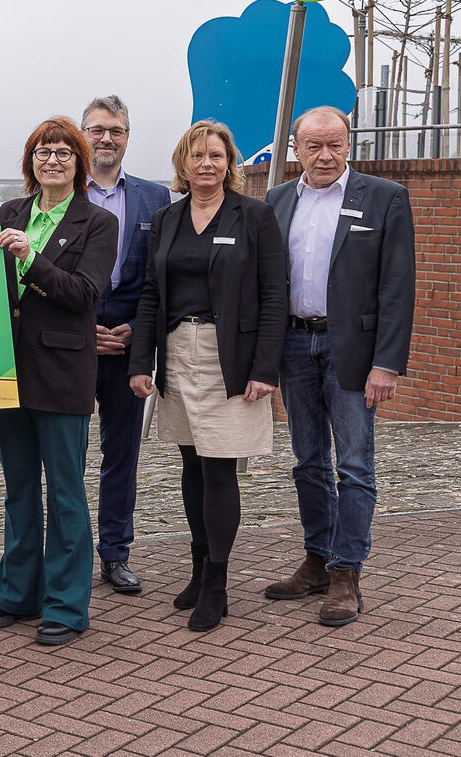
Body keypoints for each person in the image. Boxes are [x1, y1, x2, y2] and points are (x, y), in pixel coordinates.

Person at [127, 121, 286, 632]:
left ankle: (217, 582)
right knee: (190, 465)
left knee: (219, 468)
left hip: (230, 357)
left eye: (216, 155)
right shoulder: (167, 218)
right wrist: (140, 362)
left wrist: (265, 368)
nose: (206, 164)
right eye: (197, 156)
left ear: (229, 162)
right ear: (183, 162)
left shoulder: (255, 216)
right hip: (177, 353)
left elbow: (273, 296)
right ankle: (197, 569)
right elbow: (150, 295)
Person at [263, 106, 416, 627]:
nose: (325, 156)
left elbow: (397, 287)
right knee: (307, 461)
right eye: (313, 146)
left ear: (349, 145)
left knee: (353, 465)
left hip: (352, 351)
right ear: (296, 150)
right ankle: (315, 559)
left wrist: (387, 363)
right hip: (293, 347)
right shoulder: (277, 199)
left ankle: (347, 571)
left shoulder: (385, 198)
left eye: (335, 145)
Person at [0, 117, 118, 648]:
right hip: (7, 370)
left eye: (62, 152)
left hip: (62, 373)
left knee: (65, 491)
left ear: (79, 164)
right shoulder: (11, 212)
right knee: (18, 489)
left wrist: (29, 258)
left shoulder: (98, 222)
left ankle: (66, 604)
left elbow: (83, 294)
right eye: (42, 152)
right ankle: (16, 593)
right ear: (30, 162)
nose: (51, 160)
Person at [81, 96, 171, 594]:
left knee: (122, 456)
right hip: (71, 346)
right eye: (96, 130)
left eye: (115, 130)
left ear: (128, 137)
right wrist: (83, 329)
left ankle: (115, 553)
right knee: (67, 456)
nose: (106, 138)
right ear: (83, 135)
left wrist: (138, 328)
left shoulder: (155, 199)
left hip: (130, 348)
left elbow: (164, 278)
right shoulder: (59, 195)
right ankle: (68, 552)